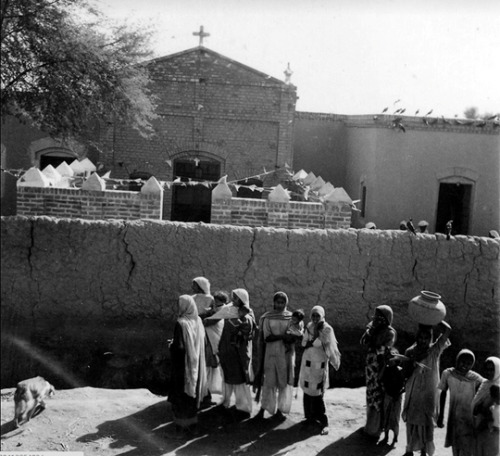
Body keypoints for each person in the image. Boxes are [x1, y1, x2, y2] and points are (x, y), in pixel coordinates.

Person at [402, 321, 452, 456]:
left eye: (426, 338)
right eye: (420, 337)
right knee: (412, 421)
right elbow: (405, 372)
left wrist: (435, 318)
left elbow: (448, 330)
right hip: (414, 392)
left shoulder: (434, 350)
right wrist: (413, 362)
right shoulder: (410, 351)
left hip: (429, 394)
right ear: (416, 337)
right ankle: (410, 449)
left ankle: (424, 450)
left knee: (427, 421)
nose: (423, 340)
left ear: (430, 338)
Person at [254, 292, 298, 421]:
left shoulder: (291, 318)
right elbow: (267, 337)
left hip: (285, 354)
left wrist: (285, 337)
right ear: (273, 302)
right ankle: (263, 409)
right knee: (269, 382)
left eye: (282, 302)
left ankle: (280, 410)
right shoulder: (267, 318)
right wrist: (284, 336)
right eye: (277, 302)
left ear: (286, 303)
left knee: (283, 382)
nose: (279, 305)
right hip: (270, 354)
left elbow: (294, 336)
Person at [168, 295, 207, 434]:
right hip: (196, 365)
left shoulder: (181, 323)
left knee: (181, 394)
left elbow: (179, 348)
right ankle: (193, 426)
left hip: (183, 366)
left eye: (179, 305)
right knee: (192, 395)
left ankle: (180, 429)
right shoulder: (198, 321)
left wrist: (171, 346)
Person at [299, 305, 341, 436]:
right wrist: (310, 342)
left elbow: (321, 344)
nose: (315, 318)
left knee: (317, 391)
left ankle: (324, 422)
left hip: (319, 363)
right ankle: (309, 418)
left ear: (322, 316)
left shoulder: (327, 329)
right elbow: (303, 342)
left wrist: (311, 341)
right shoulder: (309, 326)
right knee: (307, 390)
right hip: (307, 362)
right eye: (313, 315)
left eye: (318, 315)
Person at [437, 348, 484, 456]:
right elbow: (443, 393)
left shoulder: (476, 378)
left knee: (467, 447)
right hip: (454, 417)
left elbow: (487, 388)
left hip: (468, 418)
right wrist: (441, 415)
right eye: (462, 361)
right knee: (455, 445)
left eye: (469, 363)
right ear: (457, 360)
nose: (465, 365)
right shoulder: (448, 374)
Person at [217, 288, 256, 418]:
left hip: (239, 352)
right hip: (227, 350)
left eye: (236, 298)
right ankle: (225, 402)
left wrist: (241, 319)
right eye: (233, 298)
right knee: (227, 377)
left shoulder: (248, 313)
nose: (233, 300)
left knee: (240, 379)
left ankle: (243, 408)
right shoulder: (230, 309)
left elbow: (247, 328)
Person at [360, 305, 397, 440]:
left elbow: (383, 350)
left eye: (380, 317)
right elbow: (363, 342)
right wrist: (370, 331)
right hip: (370, 367)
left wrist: (373, 338)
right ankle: (370, 425)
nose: (376, 319)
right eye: (376, 316)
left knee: (377, 397)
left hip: (380, 368)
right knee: (370, 395)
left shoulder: (389, 333)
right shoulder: (373, 328)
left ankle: (374, 429)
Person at [202, 290, 230, 399]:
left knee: (213, 365)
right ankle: (208, 390)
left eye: (216, 300)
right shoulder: (215, 309)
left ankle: (214, 391)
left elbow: (210, 321)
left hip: (215, 340)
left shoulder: (222, 310)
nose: (214, 302)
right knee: (210, 365)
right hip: (210, 339)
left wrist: (205, 317)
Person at [472, 356, 500, 456]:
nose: (489, 372)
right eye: (487, 369)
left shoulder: (498, 386)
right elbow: (474, 405)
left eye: (492, 369)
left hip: (493, 429)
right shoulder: (484, 384)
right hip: (480, 429)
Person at [380, 348, 405, 446]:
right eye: (387, 359)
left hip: (397, 397)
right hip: (388, 395)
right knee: (386, 416)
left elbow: (403, 385)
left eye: (391, 359)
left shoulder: (400, 371)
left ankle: (395, 437)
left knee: (395, 417)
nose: (389, 361)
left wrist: (397, 394)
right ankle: (386, 436)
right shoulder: (386, 370)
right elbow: (381, 380)